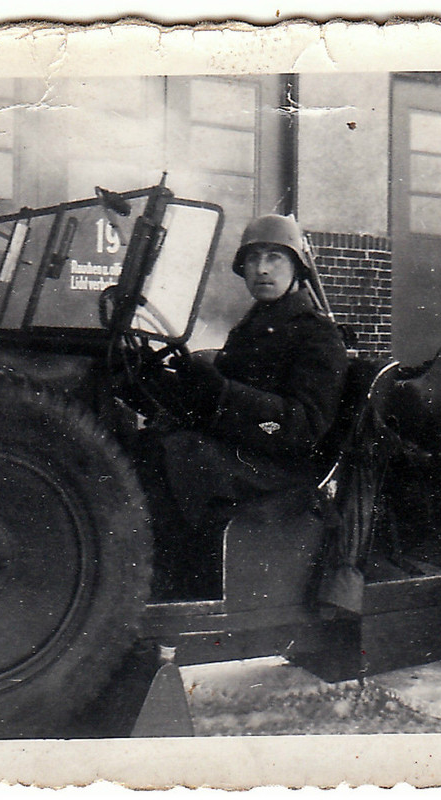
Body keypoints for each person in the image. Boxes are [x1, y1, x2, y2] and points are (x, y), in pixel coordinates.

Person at [139, 214, 350, 599]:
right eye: (253, 259)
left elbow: (304, 428)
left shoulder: (317, 334)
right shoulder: (253, 324)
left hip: (281, 466)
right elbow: (219, 398)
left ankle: (166, 592)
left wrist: (223, 393)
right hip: (245, 451)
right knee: (148, 444)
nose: (262, 268)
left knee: (169, 457)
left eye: (275, 257)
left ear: (296, 267)